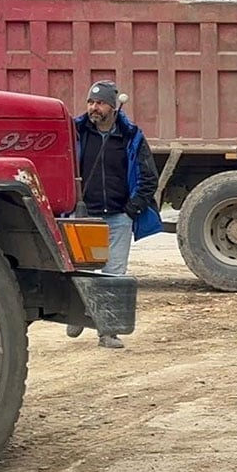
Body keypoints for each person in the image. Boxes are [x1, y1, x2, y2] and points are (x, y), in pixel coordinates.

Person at [66, 80, 162, 349]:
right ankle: (79, 313)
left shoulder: (131, 136)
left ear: (113, 106)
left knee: (114, 275)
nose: (93, 108)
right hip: (84, 215)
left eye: (99, 103)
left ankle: (107, 332)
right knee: (78, 272)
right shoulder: (76, 131)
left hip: (119, 217)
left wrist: (132, 209)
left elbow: (148, 177)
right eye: (90, 102)